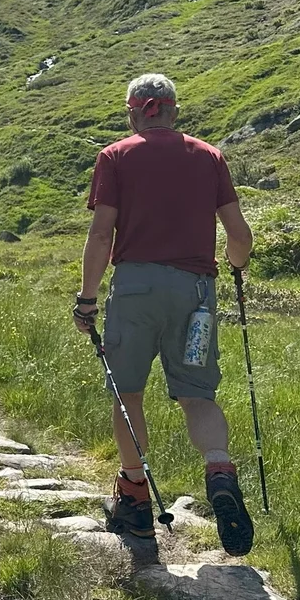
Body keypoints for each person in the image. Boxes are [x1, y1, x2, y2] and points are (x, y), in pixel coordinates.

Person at [73, 73, 256, 556]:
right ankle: (219, 469)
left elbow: (101, 235)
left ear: (133, 113)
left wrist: (87, 298)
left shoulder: (115, 156)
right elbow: (239, 236)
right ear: (174, 110)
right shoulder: (209, 156)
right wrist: (236, 266)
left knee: (128, 392)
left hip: (134, 291)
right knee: (197, 393)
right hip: (196, 295)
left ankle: (134, 500)